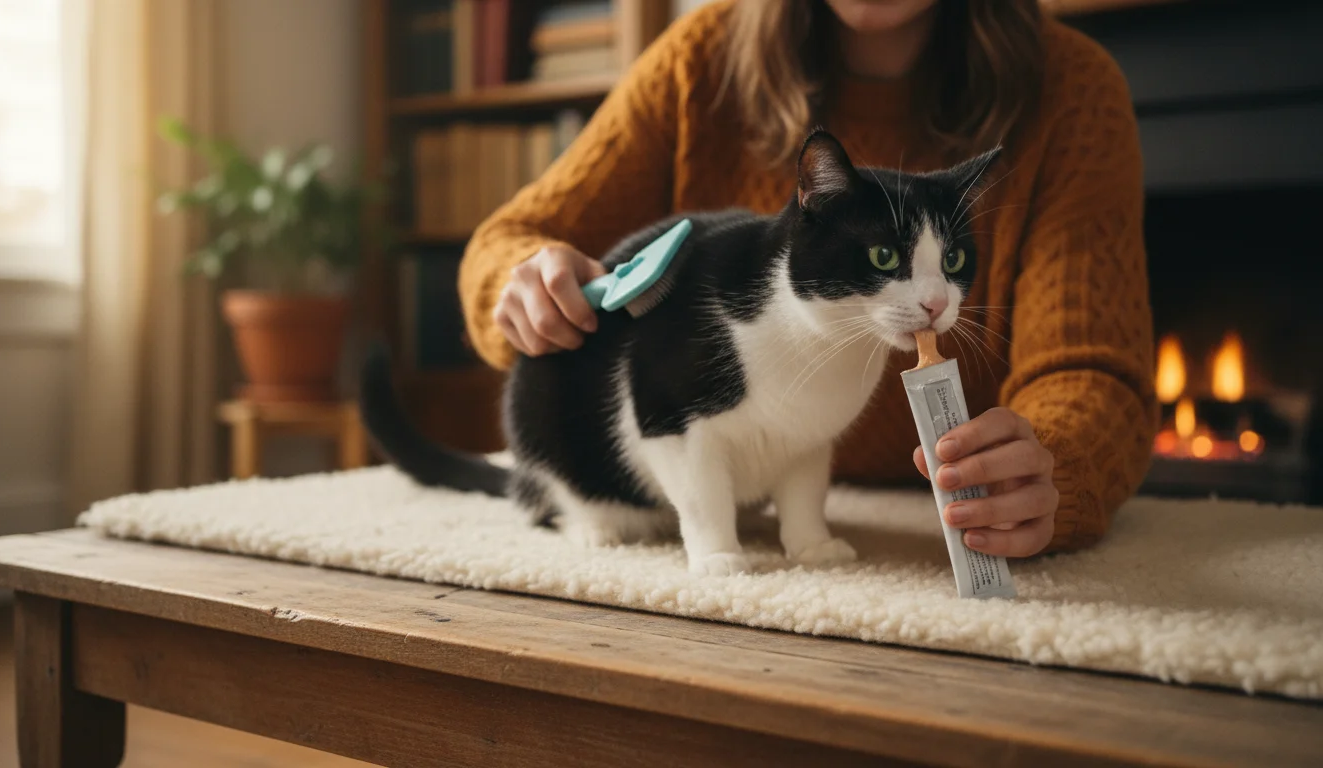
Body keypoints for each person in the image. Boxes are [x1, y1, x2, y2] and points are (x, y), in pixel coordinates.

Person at [456, 0, 1157, 558]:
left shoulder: (1073, 92)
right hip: (662, 489)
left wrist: (1053, 469)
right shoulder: (700, 61)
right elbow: (505, 243)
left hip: (918, 519)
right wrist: (523, 291)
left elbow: (1092, 372)